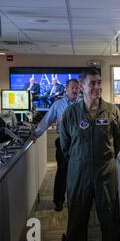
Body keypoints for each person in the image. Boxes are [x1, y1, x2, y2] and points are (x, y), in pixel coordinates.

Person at [60, 68, 120, 241]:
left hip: (106, 175)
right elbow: (65, 147)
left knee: (110, 221)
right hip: (79, 175)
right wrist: (81, 161)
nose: (97, 87)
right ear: (82, 86)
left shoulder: (111, 111)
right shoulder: (71, 114)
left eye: (99, 82)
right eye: (92, 83)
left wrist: (104, 158)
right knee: (77, 221)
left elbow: (119, 139)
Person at [29, 79, 80, 211]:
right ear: (66, 89)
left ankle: (77, 201)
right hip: (63, 142)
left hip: (80, 144)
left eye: (77, 88)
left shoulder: (83, 104)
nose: (75, 90)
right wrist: (35, 134)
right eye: (72, 88)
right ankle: (58, 201)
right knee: (62, 172)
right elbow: (46, 120)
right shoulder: (58, 105)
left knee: (79, 173)